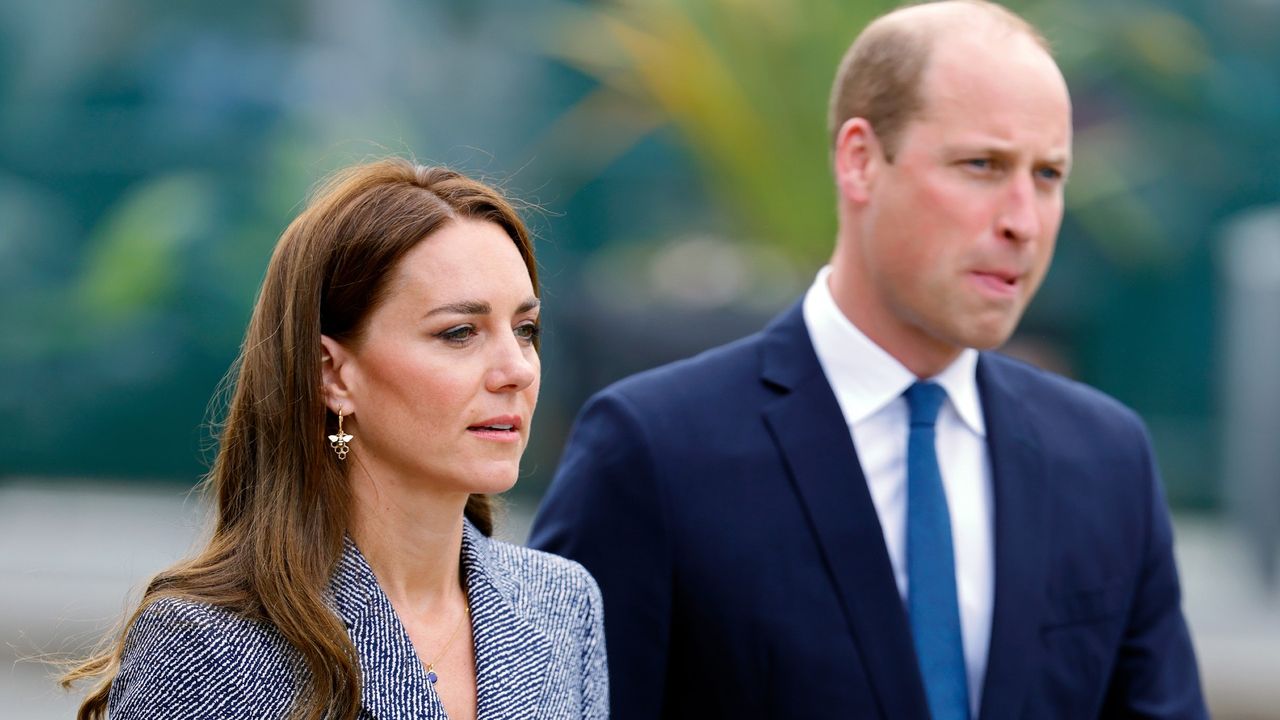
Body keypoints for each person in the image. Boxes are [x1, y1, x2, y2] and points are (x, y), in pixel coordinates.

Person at [529, 1, 1207, 718]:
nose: (1023, 220)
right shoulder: (654, 453)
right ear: (859, 160)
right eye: (982, 165)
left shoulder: (1106, 459)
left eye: (1048, 176)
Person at [63, 158, 608, 720]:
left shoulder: (562, 604)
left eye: (525, 330)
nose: (516, 369)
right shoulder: (210, 642)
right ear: (332, 372)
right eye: (459, 333)